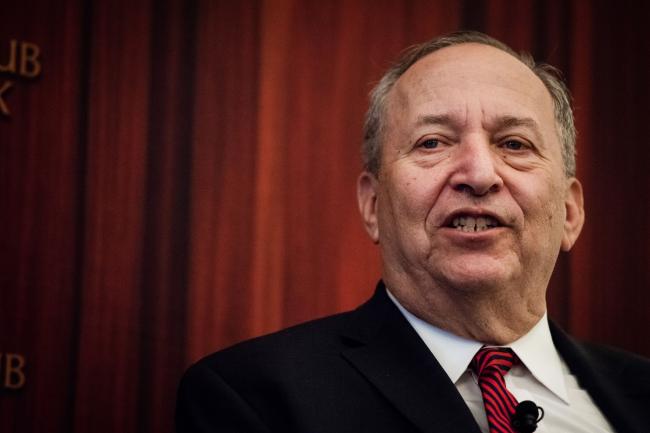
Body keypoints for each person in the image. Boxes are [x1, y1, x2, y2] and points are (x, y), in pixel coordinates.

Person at [175, 31, 649, 433]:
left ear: (569, 212)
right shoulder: (252, 399)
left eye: (514, 143)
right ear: (373, 205)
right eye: (432, 142)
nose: (479, 174)